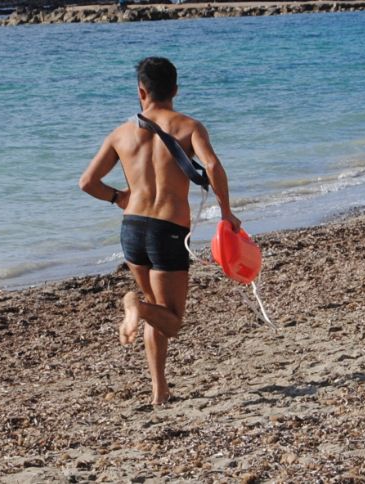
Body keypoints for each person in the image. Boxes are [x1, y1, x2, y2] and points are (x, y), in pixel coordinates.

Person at [78, 57, 240, 405]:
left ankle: (159, 391)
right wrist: (226, 212)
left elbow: (87, 182)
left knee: (156, 308)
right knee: (174, 321)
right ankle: (131, 304)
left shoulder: (121, 134)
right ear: (176, 90)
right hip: (167, 231)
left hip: (132, 229)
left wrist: (119, 197)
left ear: (141, 92)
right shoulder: (189, 127)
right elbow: (211, 165)